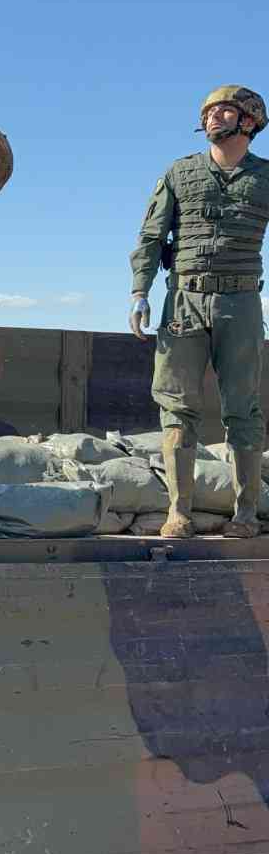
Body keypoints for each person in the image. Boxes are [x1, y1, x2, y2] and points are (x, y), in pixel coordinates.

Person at [130, 85, 269, 539]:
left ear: (248, 121)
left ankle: (245, 515)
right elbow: (151, 237)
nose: (212, 118)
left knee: (243, 411)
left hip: (242, 304)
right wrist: (140, 292)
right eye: (208, 112)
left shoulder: (265, 178)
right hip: (183, 304)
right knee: (175, 410)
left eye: (223, 111)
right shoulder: (181, 172)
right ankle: (179, 512)